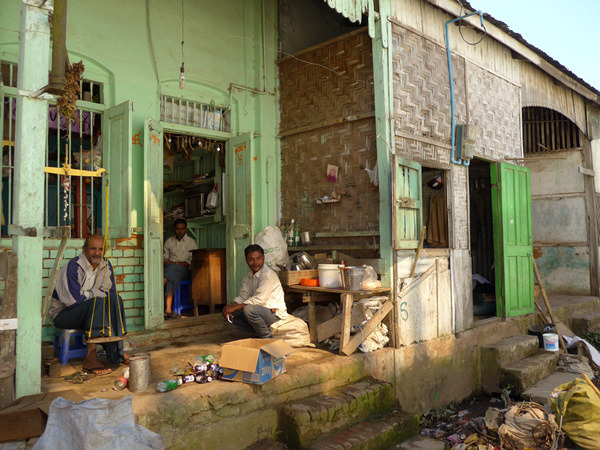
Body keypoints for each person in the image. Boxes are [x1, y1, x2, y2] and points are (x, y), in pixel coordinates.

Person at [48, 234, 128, 374]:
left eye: (100, 249)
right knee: (97, 303)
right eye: (93, 249)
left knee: (116, 300)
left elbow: (111, 294)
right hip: (63, 314)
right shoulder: (73, 266)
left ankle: (117, 353)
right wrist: (96, 293)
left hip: (89, 311)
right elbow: (72, 301)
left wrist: (87, 294)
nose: (97, 253)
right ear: (84, 249)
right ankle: (90, 358)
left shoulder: (105, 264)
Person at [222, 244, 288, 338]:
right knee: (228, 311)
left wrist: (236, 307)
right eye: (251, 259)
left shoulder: (268, 275)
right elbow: (243, 296)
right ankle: (257, 332)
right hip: (259, 311)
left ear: (263, 258)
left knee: (249, 309)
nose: (255, 262)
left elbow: (258, 300)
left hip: (273, 314)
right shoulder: (248, 276)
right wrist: (231, 305)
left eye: (258, 258)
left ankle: (267, 337)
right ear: (246, 260)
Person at [163, 218, 197, 318]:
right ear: (174, 229)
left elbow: (189, 263)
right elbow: (164, 260)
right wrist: (173, 264)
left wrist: (174, 263)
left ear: (186, 229)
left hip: (185, 271)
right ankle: (168, 309)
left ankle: (161, 284)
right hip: (171, 271)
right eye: (177, 229)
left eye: (182, 229)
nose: (180, 231)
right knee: (171, 277)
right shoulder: (169, 241)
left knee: (171, 270)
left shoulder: (191, 242)